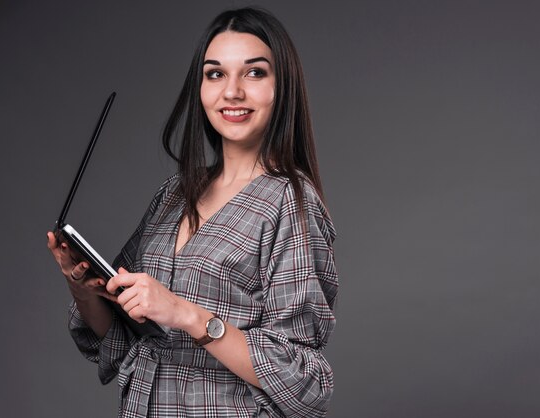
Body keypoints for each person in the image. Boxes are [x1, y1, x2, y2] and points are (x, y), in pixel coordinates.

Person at [47, 7, 338, 418]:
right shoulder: (176, 192)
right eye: (215, 74)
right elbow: (125, 339)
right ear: (199, 87)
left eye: (254, 73)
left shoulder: (290, 202)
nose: (232, 91)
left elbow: (303, 381)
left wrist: (185, 314)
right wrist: (84, 288)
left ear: (282, 87)